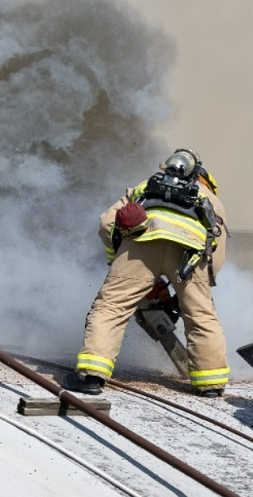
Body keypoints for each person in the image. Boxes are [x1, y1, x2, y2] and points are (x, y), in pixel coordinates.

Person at [68, 148, 230, 397]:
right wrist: (199, 285)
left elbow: (107, 222)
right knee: (201, 316)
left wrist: (117, 257)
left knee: (111, 308)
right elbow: (215, 251)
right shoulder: (212, 200)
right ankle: (211, 385)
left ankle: (91, 377)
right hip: (189, 255)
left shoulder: (147, 185)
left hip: (142, 246)